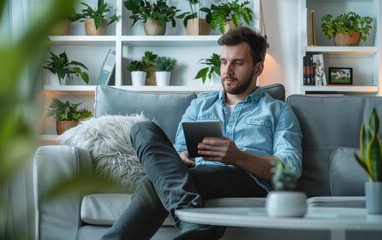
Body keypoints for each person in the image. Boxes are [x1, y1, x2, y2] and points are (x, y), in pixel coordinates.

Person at [101, 26, 302, 240]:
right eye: (224, 62)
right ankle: (193, 218)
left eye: (238, 63)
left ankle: (192, 219)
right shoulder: (200, 106)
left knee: (152, 183)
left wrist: (238, 157)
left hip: (246, 181)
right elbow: (178, 152)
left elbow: (290, 169)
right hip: (196, 175)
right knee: (142, 128)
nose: (227, 71)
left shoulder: (278, 110)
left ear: (258, 68)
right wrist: (181, 158)